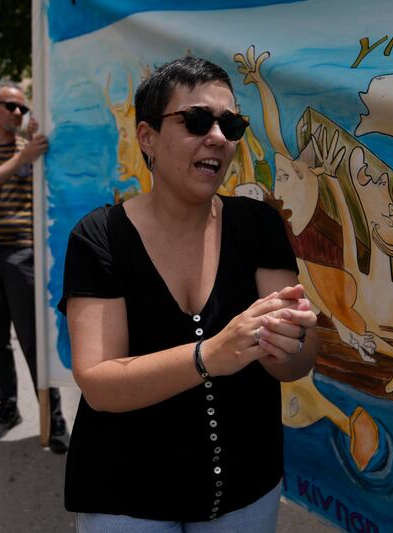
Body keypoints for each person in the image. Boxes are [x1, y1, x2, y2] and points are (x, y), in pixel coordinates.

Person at [58, 56, 319, 531]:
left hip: (247, 492)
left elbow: (296, 363)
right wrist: (210, 355)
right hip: (126, 500)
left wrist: (292, 343)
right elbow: (98, 383)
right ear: (147, 138)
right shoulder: (98, 238)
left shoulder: (259, 224)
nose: (217, 136)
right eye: (196, 120)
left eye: (230, 123)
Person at [0, 83, 69, 452]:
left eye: (22, 108)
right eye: (9, 106)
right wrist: (23, 159)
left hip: (23, 252)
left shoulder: (32, 147)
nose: (17, 113)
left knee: (34, 341)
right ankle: (8, 409)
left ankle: (53, 419)